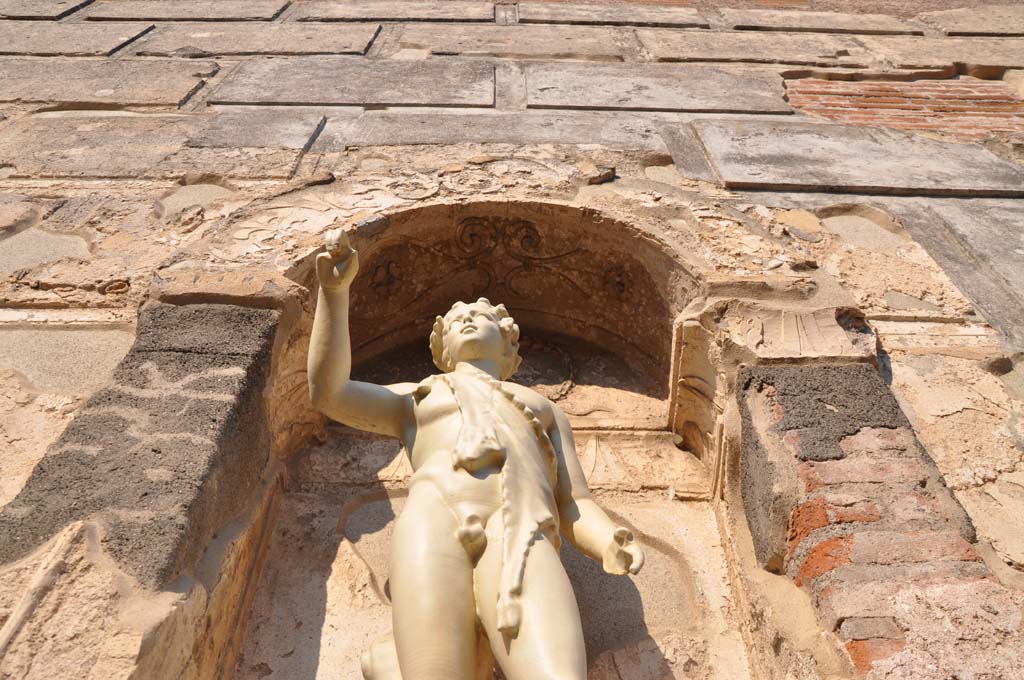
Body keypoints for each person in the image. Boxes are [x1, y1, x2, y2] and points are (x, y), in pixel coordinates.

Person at [308, 228, 644, 680]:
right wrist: (334, 294)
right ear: (441, 347)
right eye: (455, 319)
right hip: (434, 516)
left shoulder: (543, 408)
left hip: (522, 525)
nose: (466, 318)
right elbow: (331, 393)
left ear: (508, 343)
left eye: (480, 316)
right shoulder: (419, 395)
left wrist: (608, 539)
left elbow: (575, 501)